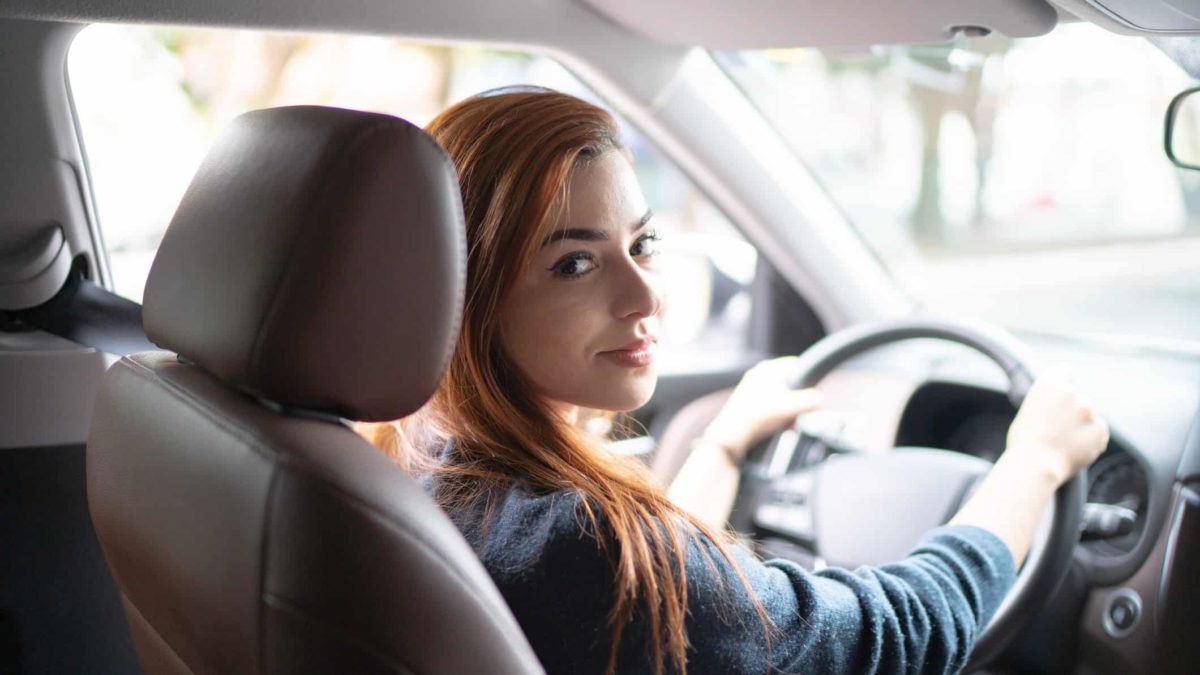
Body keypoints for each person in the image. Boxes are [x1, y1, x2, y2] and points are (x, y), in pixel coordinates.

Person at [359, 87, 1109, 675]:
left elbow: (654, 613)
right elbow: (900, 634)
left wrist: (719, 449)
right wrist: (1035, 464)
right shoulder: (574, 541)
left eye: (642, 242)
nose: (645, 296)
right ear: (467, 293)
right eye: (574, 264)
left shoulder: (415, 458)